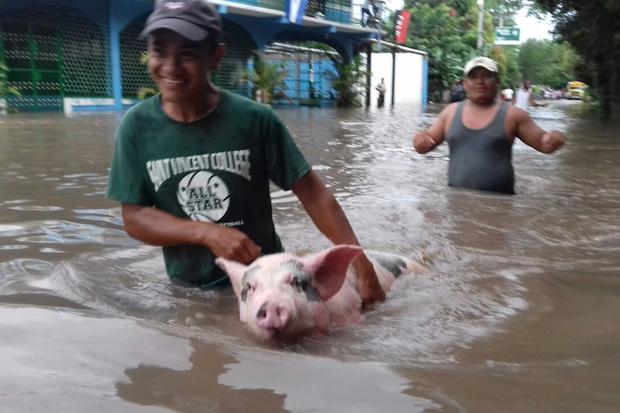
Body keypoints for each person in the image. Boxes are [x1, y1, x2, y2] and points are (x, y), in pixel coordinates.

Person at [107, 0, 385, 306]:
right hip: (188, 292)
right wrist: (205, 233)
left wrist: (361, 263)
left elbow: (315, 196)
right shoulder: (136, 127)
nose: (170, 67)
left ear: (215, 56)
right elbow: (134, 218)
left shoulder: (255, 120)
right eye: (160, 51)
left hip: (267, 287)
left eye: (187, 54)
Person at [412, 56, 566, 195]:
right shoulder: (450, 113)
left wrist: (555, 138)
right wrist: (419, 139)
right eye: (473, 77)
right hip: (456, 203)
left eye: (487, 76)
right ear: (465, 84)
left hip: (501, 206)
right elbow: (424, 145)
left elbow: (543, 143)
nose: (480, 81)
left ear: (497, 81)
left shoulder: (513, 115)